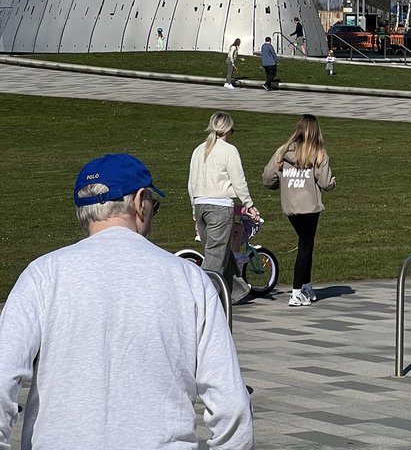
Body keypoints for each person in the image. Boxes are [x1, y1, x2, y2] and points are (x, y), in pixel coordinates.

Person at [0, 153, 252, 450]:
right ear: (139, 202)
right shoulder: (189, 279)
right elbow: (232, 406)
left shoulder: (42, 275)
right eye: (153, 206)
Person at [262, 114, 336, 308]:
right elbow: (326, 182)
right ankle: (296, 292)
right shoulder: (318, 152)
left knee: (307, 244)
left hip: (290, 207)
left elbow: (268, 177)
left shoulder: (283, 151)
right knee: (305, 246)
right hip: (309, 207)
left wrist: (278, 183)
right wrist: (333, 183)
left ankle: (307, 286)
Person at [188, 112, 259, 303]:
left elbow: (191, 183)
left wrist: (194, 208)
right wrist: (249, 205)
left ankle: (236, 292)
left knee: (220, 252)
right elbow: (239, 181)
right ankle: (201, 299)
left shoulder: (198, 150)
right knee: (214, 258)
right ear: (227, 130)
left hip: (200, 205)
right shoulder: (229, 150)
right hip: (219, 207)